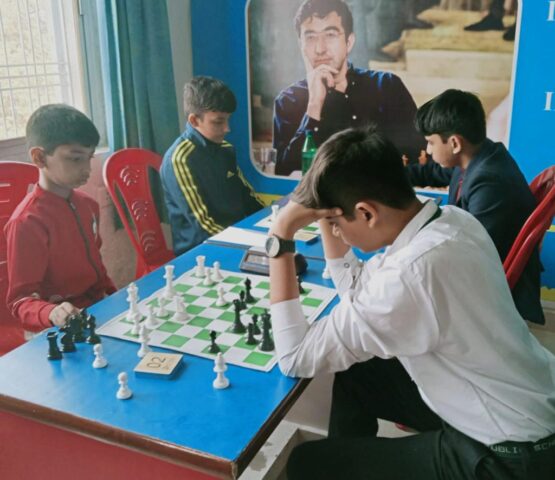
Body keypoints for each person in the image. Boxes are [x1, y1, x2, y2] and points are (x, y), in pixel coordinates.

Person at [267, 126, 555, 480]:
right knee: (357, 373)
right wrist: (327, 205)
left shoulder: (410, 275)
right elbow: (356, 291)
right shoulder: (452, 221)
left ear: (366, 213)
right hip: (521, 402)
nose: (335, 231)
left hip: (510, 457)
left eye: (334, 222)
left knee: (306, 464)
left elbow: (295, 357)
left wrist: (280, 234)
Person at [406, 89, 544, 324]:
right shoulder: (477, 156)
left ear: (454, 143)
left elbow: (471, 251)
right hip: (475, 262)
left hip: (487, 282)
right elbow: (433, 172)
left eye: (430, 142)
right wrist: (389, 178)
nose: (428, 150)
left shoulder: (490, 181)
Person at [272, 0, 424, 176]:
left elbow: (421, 154)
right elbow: (283, 173)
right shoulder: (288, 101)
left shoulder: (387, 86)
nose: (320, 49)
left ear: (349, 42)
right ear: (301, 45)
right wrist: (314, 106)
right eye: (311, 37)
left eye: (330, 35)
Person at [5, 104, 115, 333]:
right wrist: (52, 313)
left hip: (96, 309)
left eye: (89, 158)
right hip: (53, 327)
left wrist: (115, 296)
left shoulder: (88, 206)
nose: (87, 169)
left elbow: (97, 268)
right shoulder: (27, 222)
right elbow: (20, 301)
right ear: (39, 157)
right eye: (75, 159)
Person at [161, 76, 264, 255]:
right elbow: (203, 224)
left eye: (228, 120)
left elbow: (248, 196)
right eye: (218, 122)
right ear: (194, 121)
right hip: (201, 250)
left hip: (235, 237)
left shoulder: (225, 149)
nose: (227, 128)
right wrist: (249, 245)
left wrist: (273, 219)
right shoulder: (180, 159)